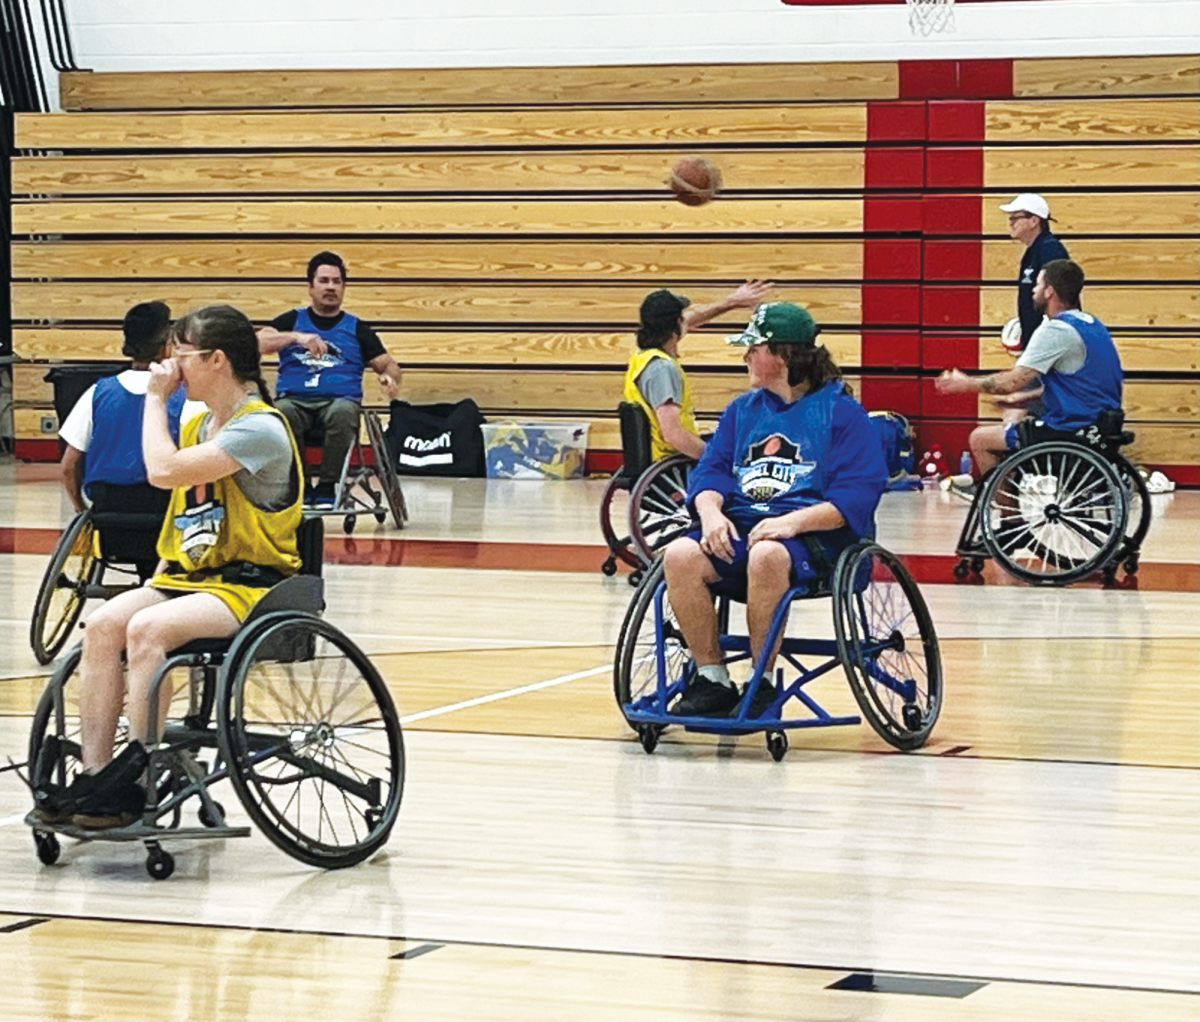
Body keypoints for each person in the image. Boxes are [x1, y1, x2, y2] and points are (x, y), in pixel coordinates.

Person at [35, 305, 304, 829]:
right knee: (102, 624)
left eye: (180, 354)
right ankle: (100, 779)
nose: (170, 365)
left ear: (217, 360)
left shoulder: (262, 428)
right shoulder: (202, 420)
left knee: (147, 629)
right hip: (191, 575)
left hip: (250, 584)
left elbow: (162, 471)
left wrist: (155, 400)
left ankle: (139, 775)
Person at [661, 302, 888, 718]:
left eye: (753, 348)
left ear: (781, 356)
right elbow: (710, 473)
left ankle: (761, 681)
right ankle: (711, 678)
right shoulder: (741, 411)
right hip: (747, 527)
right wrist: (711, 513)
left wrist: (790, 523)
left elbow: (855, 495)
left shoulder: (843, 414)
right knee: (679, 554)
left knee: (767, 554)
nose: (745, 355)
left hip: (816, 538)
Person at [936, 259, 1123, 482]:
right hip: (1101, 424)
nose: (1033, 290)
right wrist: (1025, 399)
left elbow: (1010, 382)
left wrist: (966, 384)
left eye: (1037, 284)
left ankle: (1008, 515)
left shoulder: (1055, 330)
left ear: (1049, 291)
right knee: (1016, 420)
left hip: (1070, 429)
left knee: (980, 439)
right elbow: (1083, 388)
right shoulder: (1092, 324)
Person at [257, 251, 403, 507]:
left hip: (338, 402)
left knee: (344, 412)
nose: (331, 287)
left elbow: (388, 364)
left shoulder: (357, 329)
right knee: (282, 412)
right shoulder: (291, 321)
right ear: (310, 287)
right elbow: (258, 342)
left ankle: (327, 485)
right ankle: (299, 484)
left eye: (336, 282)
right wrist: (296, 337)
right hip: (295, 400)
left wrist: (389, 378)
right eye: (324, 281)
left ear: (344, 288)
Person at [58, 302, 203, 515]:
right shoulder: (189, 397)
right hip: (167, 512)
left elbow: (68, 468)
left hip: (108, 514)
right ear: (168, 347)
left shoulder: (97, 393)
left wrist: (81, 509)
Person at [625, 281, 774, 462]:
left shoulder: (643, 356)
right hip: (670, 459)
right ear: (677, 324)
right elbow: (674, 435)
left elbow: (693, 318)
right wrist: (714, 459)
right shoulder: (662, 369)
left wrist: (732, 301)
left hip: (657, 455)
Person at [1000, 193, 1069, 352]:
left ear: (1034, 221)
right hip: (1038, 343)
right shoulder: (1032, 252)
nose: (1011, 223)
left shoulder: (1050, 249)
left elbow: (1060, 296)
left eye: (1015, 218)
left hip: (1051, 345)